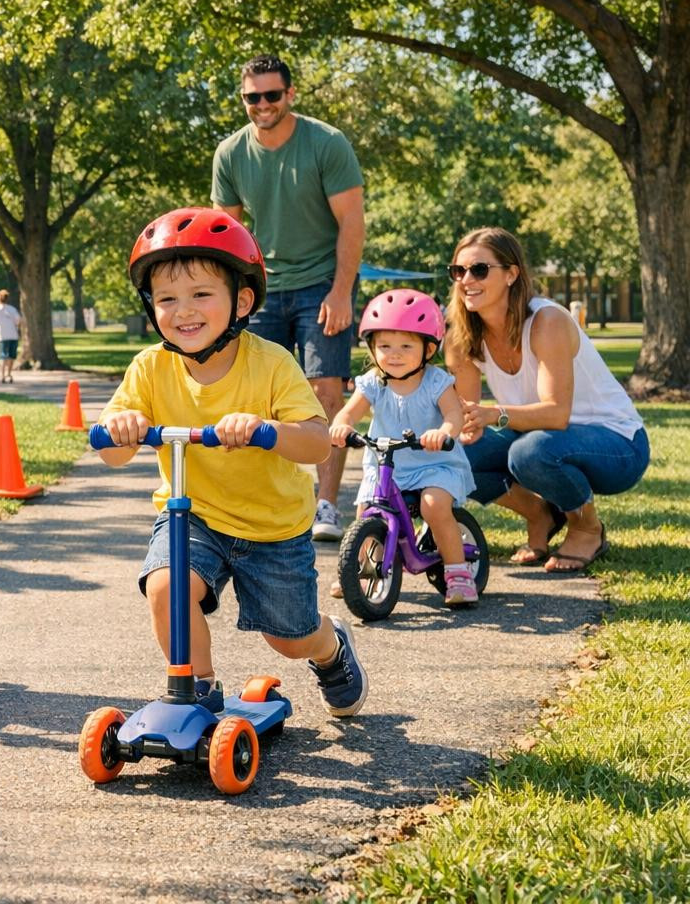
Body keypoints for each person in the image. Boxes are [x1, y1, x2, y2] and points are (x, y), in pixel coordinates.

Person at [96, 208, 368, 718]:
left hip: (273, 528)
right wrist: (121, 427)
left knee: (290, 639)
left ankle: (330, 648)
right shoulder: (150, 368)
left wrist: (266, 431)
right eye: (167, 299)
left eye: (202, 294)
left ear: (241, 300)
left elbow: (316, 443)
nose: (184, 311)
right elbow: (113, 453)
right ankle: (196, 692)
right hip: (194, 517)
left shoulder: (270, 363)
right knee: (166, 586)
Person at [212, 54, 366, 542]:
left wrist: (342, 291)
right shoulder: (230, 153)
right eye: (252, 97)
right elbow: (226, 235)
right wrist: (232, 300)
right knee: (251, 392)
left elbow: (352, 223)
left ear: (290, 95)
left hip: (323, 281)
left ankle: (325, 505)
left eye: (271, 96)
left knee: (324, 391)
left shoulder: (326, 143)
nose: (262, 105)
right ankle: (263, 504)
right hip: (262, 289)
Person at [445, 228, 649, 573]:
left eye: (479, 269)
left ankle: (587, 528)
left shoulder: (547, 320)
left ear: (512, 274)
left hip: (617, 445)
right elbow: (467, 419)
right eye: (458, 271)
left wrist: (494, 413)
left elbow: (556, 414)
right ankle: (539, 515)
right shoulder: (461, 337)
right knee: (454, 457)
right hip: (539, 436)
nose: (467, 279)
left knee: (529, 453)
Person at [329, 290, 479, 606]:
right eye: (384, 346)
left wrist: (443, 432)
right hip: (386, 465)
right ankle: (362, 568)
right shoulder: (373, 382)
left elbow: (454, 413)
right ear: (372, 348)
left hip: (434, 464)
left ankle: (458, 573)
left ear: (428, 349)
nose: (394, 354)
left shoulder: (437, 382)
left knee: (434, 505)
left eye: (406, 346)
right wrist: (341, 424)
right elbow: (349, 412)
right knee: (367, 510)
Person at [0, 289, 23, 383]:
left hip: (2, 335)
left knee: (3, 355)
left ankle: (2, 375)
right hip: (13, 334)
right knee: (11, 355)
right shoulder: (12, 309)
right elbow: (18, 321)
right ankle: (9, 374)